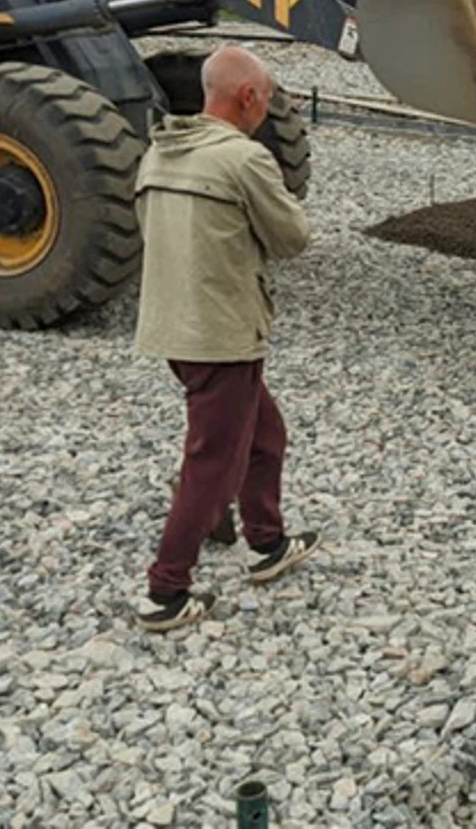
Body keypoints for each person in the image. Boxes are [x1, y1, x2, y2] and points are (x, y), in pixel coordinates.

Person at [133, 45, 317, 632]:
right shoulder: (244, 160)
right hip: (223, 334)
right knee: (213, 459)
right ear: (248, 97)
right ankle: (165, 593)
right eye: (264, 98)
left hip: (173, 328)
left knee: (265, 434)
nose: (265, 109)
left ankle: (266, 543)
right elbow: (292, 238)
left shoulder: (159, 154)